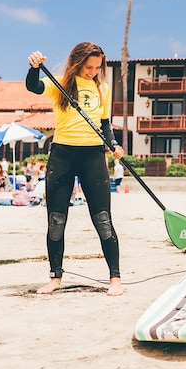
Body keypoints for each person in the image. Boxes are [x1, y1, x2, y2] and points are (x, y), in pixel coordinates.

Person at [26, 42, 125, 296]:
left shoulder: (102, 88)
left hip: (93, 156)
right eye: (88, 66)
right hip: (62, 155)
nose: (92, 71)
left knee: (103, 219)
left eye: (97, 67)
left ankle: (115, 278)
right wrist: (34, 67)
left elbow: (105, 123)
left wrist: (113, 143)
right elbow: (33, 86)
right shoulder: (59, 83)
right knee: (56, 220)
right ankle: (55, 277)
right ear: (77, 62)